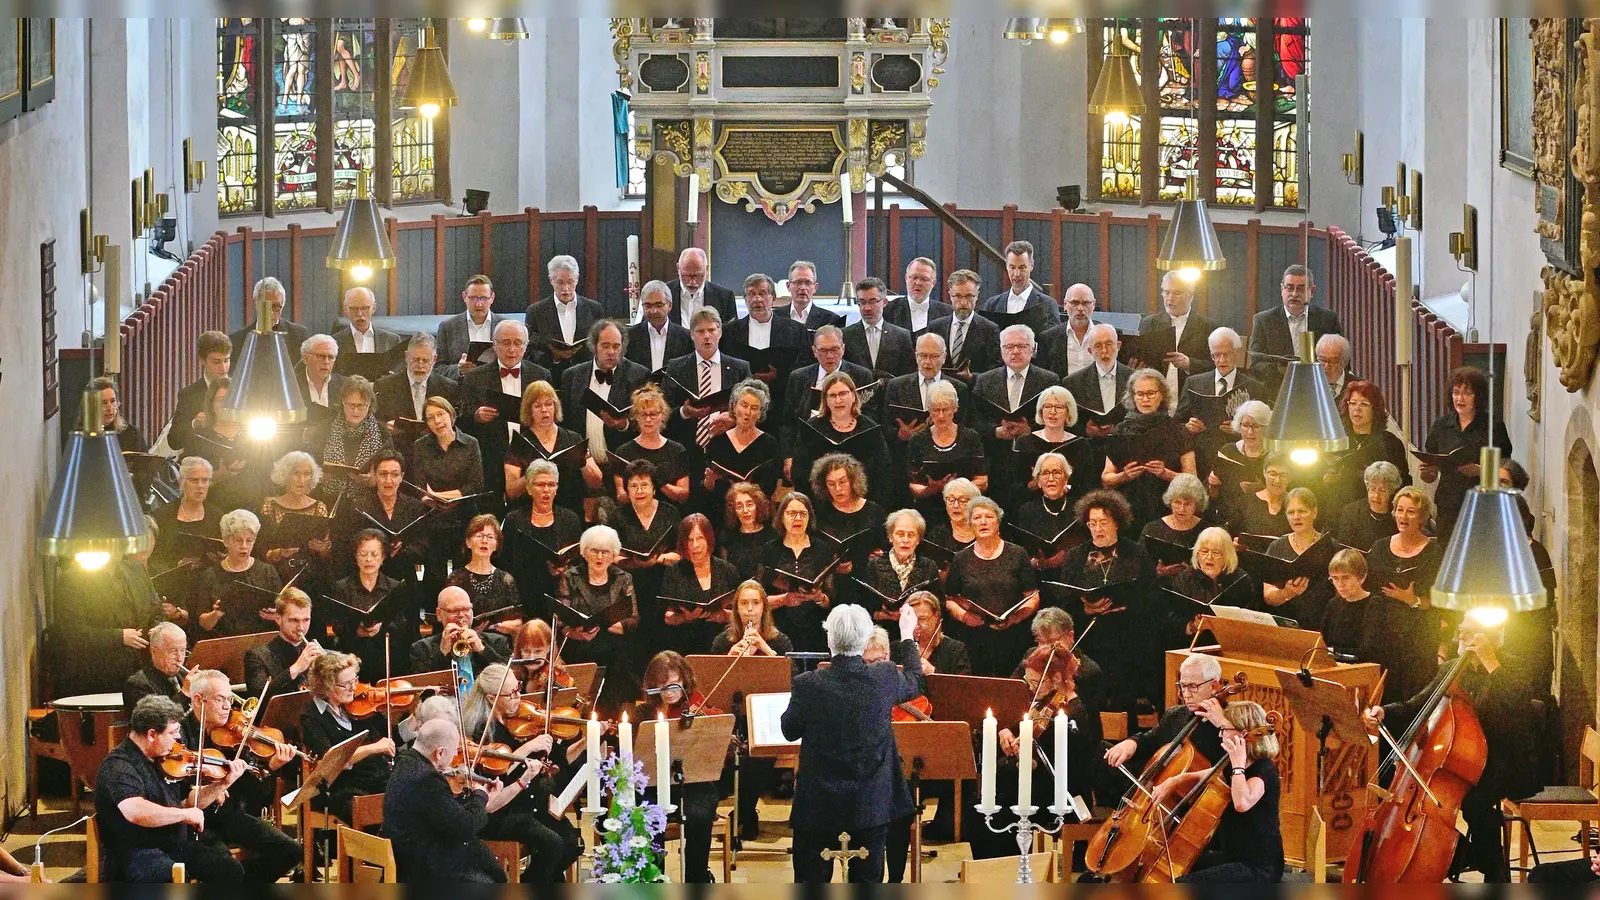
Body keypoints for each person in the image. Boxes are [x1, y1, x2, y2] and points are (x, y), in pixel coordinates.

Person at [1362, 614, 1539, 883]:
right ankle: (1463, 856)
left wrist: (1491, 663)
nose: (1459, 638)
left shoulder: (1513, 669)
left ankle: (1494, 872)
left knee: (1475, 804)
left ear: (1487, 640)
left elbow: (1519, 715)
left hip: (1505, 760)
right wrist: (1384, 712)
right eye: (1460, 631)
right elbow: (1418, 705)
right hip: (1458, 760)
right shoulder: (1452, 670)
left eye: (1468, 633)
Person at [781, 603, 925, 883]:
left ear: (829, 639)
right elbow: (916, 680)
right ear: (864, 640)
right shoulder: (883, 677)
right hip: (869, 804)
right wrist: (906, 634)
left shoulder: (808, 684)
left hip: (818, 806)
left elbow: (789, 730)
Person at [971, 645, 1101, 866]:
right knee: (982, 803)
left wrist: (1031, 760)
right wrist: (1007, 731)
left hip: (1060, 794)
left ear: (1057, 677)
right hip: (1035, 785)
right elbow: (1019, 726)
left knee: (993, 811)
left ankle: (1003, 868)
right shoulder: (1044, 703)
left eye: (1035, 681)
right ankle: (993, 867)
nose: (1031, 687)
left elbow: (1072, 769)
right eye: (1029, 680)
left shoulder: (1074, 713)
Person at [94, 695, 247, 882]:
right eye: (172, 732)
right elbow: (135, 811)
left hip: (170, 843)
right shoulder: (119, 765)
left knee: (228, 869)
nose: (178, 738)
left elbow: (187, 802)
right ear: (151, 735)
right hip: (134, 852)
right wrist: (185, 815)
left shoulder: (165, 759)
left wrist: (222, 783)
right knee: (167, 877)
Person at [460, 664, 581, 883]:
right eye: (512, 693)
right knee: (552, 844)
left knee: (572, 843)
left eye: (518, 689)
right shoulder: (482, 730)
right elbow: (497, 775)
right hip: (501, 812)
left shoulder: (513, 722)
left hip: (526, 804)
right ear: (491, 697)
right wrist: (528, 748)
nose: (519, 697)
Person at [180, 668, 302, 882]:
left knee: (290, 850)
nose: (228, 707)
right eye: (220, 700)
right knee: (227, 868)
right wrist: (207, 789)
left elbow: (256, 798)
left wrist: (272, 767)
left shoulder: (234, 737)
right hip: (196, 823)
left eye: (229, 699)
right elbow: (176, 788)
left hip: (228, 815)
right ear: (198, 700)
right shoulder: (178, 734)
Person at [1160, 700, 1284, 883]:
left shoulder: (1264, 770)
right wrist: (1176, 779)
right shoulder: (1233, 765)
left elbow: (1242, 802)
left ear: (1243, 733)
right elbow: (1209, 774)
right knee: (1180, 864)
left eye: (1224, 729)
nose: (1220, 734)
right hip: (1233, 856)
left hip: (1258, 866)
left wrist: (1238, 765)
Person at [1060, 490, 1155, 712]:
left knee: (1125, 702)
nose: (1097, 529)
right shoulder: (1075, 556)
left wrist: (1127, 605)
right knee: (1091, 699)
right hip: (1089, 638)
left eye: (1103, 523)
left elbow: (1152, 595)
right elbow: (1064, 598)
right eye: (1092, 523)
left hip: (1127, 637)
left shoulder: (1136, 553)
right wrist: (1085, 607)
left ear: (1117, 523)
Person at [384, 717, 508, 883]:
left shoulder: (405, 762)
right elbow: (465, 826)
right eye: (456, 750)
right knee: (489, 878)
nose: (457, 754)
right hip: (420, 866)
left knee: (487, 863)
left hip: (412, 850)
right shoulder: (427, 779)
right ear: (440, 752)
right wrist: (481, 796)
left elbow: (442, 812)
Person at [634, 652, 723, 881]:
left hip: (694, 783)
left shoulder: (696, 706)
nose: (670, 691)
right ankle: (654, 879)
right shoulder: (644, 713)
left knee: (699, 814)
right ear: (653, 686)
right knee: (650, 816)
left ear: (685, 681)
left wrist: (703, 723)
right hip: (653, 785)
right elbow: (633, 755)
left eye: (675, 684)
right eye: (663, 685)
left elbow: (717, 746)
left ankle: (697, 877)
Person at [47, 537, 159, 697]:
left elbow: (156, 609)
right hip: (97, 673)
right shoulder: (72, 579)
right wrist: (119, 636)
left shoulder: (135, 569)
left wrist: (157, 627)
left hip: (140, 669)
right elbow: (72, 632)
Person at [944, 496, 1039, 677]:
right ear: (970, 524)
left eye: (988, 516)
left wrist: (1016, 618)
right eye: (977, 518)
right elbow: (950, 599)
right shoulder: (961, 558)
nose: (983, 522)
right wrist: (964, 616)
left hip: (1013, 635)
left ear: (998, 521)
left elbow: (1032, 595)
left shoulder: (1018, 554)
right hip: (974, 636)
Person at [1366, 486, 1445, 699]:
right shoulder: (1380, 547)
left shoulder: (1433, 553)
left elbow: (1441, 603)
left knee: (1412, 698)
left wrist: (1413, 600)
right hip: (1381, 634)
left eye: (1411, 512)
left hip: (1417, 638)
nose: (1403, 516)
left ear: (1422, 517)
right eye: (1399, 510)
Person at [460, 319, 554, 499]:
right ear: (494, 345)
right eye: (505, 343)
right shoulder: (474, 378)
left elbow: (553, 418)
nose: (512, 349)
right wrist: (476, 416)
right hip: (490, 459)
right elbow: (462, 421)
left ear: (526, 346)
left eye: (518, 343)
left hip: (531, 459)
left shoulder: (540, 375)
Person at [300, 650, 396, 822]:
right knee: (377, 814)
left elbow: (393, 737)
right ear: (326, 686)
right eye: (346, 684)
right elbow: (332, 761)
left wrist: (413, 720)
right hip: (343, 788)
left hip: (376, 779)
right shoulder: (311, 717)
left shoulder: (357, 706)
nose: (354, 688)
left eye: (354, 680)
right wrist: (373, 748)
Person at [1103, 653, 1233, 777]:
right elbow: (1150, 740)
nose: (1186, 694)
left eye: (1193, 686)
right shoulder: (1176, 714)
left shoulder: (1232, 720)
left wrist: (1224, 725)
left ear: (1214, 685)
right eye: (1182, 686)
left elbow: (1237, 765)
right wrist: (1132, 743)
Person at [1420, 365, 1514, 534]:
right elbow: (1430, 471)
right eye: (1456, 392)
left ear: (1478, 396)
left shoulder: (1493, 427)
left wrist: (1480, 470)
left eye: (1467, 393)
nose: (1460, 398)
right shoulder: (1441, 426)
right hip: (1448, 505)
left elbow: (1507, 471)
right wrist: (1428, 472)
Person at [972, 325, 1061, 503]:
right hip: (996, 461)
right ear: (1001, 350)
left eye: (1021, 346)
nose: (1015, 352)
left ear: (1033, 349)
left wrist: (1030, 429)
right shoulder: (984, 380)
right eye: (1009, 347)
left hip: (1033, 460)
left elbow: (1059, 421)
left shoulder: (1050, 380)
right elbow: (973, 421)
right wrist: (996, 431)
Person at [1100, 368, 1197, 529]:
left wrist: (1165, 473)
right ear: (1133, 396)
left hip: (1166, 508)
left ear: (1162, 395)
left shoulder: (1178, 430)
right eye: (1140, 394)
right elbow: (1106, 479)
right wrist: (1125, 475)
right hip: (1128, 508)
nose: (1145, 399)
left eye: (1151, 393)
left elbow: (1192, 479)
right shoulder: (1121, 430)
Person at [663, 308, 754, 477]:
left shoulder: (740, 368)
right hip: (685, 452)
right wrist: (684, 412)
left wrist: (734, 418)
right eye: (700, 331)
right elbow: (663, 413)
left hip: (729, 452)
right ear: (691, 335)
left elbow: (755, 410)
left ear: (719, 332)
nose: (706, 336)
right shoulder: (675, 367)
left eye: (711, 330)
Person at [557, 525, 640, 710]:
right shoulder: (570, 577)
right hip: (579, 647)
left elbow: (633, 620)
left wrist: (604, 624)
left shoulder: (623, 578)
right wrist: (576, 633)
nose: (600, 557)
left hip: (615, 650)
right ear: (585, 553)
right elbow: (561, 619)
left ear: (613, 555)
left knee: (622, 661)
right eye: (594, 551)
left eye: (605, 552)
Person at [559, 319, 650, 471]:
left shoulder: (638, 375)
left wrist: (624, 424)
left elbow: (649, 423)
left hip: (623, 469)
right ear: (594, 346)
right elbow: (565, 422)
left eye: (616, 346)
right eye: (605, 346)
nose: (611, 352)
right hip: (581, 469)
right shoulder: (572, 376)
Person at [501, 460, 583, 621]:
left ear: (557, 488)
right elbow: (504, 560)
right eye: (540, 485)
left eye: (551, 485)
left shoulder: (570, 519)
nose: (546, 490)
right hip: (522, 591)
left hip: (559, 592)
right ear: (529, 489)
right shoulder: (514, 519)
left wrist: (565, 569)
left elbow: (579, 561)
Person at [787, 372, 891, 497]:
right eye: (832, 395)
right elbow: (799, 472)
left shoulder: (869, 428)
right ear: (825, 400)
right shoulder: (812, 427)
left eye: (843, 394)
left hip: (861, 500)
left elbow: (883, 472)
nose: (838, 400)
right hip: (820, 501)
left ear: (853, 396)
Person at [1246, 264, 1343, 395]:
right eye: (1290, 288)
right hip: (1278, 394)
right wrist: (1281, 371)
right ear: (1282, 289)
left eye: (1301, 289)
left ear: (1312, 291)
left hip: (1319, 392)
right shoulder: (1264, 320)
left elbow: (1342, 360)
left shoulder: (1328, 319)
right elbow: (1255, 364)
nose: (1294, 294)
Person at [778, 325, 875, 452]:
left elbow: (869, 417)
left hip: (849, 445)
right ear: (814, 351)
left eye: (835, 349)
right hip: (808, 445)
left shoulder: (861, 375)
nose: (829, 356)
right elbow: (788, 422)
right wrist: (788, 457)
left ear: (843, 349)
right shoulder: (798, 377)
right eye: (823, 350)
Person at [503, 379, 592, 513]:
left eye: (549, 404)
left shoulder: (573, 438)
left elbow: (596, 482)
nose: (544, 410)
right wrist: (534, 473)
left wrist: (583, 462)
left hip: (569, 510)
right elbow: (511, 491)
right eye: (538, 406)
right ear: (529, 410)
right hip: (530, 512)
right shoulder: (520, 444)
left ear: (556, 407)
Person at [760, 492, 833, 653]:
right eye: (791, 513)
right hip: (778, 630)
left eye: (803, 514)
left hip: (816, 630)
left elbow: (832, 600)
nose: (798, 518)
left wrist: (819, 597)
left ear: (810, 517)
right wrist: (783, 599)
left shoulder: (823, 549)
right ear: (782, 517)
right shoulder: (769, 550)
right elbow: (758, 599)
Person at [193, 509, 283, 638]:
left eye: (249, 540)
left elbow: (283, 615)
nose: (244, 546)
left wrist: (276, 616)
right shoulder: (210, 575)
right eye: (238, 540)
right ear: (225, 541)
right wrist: (216, 613)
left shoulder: (267, 571)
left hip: (260, 643)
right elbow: (204, 624)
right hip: (224, 643)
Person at [722, 272, 812, 401]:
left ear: (773, 297)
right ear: (745, 299)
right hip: (741, 401)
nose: (757, 299)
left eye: (762, 293)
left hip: (782, 400)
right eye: (751, 294)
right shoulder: (730, 332)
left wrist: (779, 375)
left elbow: (805, 366)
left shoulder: (795, 330)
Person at [1128, 272, 1219, 399]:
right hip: (1155, 398)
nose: (1170, 298)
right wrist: (1133, 369)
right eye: (1166, 292)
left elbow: (1217, 366)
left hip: (1192, 396)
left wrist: (1190, 364)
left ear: (1190, 295)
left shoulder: (1208, 327)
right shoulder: (1149, 324)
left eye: (1176, 293)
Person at [329, 531, 408, 675]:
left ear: (383, 557)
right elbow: (336, 625)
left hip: (386, 654)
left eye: (374, 554)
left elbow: (401, 623)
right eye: (363, 554)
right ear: (355, 557)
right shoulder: (341, 587)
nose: (368, 559)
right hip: (351, 655)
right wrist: (356, 631)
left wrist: (382, 627)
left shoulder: (394, 587)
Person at [660, 513, 739, 655]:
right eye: (690, 540)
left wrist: (724, 615)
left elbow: (740, 613)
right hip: (686, 645)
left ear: (708, 538)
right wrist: (685, 617)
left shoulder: (727, 570)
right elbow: (667, 617)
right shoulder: (674, 572)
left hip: (722, 645)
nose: (695, 545)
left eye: (700, 538)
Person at [1326, 380, 1410, 512]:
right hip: (1338, 509)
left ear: (1375, 409)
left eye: (1364, 404)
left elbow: (1403, 483)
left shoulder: (1389, 443)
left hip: (1376, 512)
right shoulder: (1335, 440)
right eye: (1352, 403)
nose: (1357, 409)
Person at [1260, 487, 1337, 628]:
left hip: (1323, 624)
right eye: (1291, 512)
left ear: (1314, 512)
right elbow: (1268, 595)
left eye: (1302, 511)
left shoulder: (1331, 546)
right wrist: (1286, 593)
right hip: (1286, 623)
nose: (1296, 517)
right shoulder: (1277, 547)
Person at [305, 375, 392, 498]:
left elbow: (392, 469)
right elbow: (309, 463)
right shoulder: (324, 429)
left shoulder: (382, 433)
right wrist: (318, 476)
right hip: (327, 498)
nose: (355, 411)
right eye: (351, 405)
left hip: (369, 501)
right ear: (342, 402)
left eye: (361, 406)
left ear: (370, 404)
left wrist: (375, 480)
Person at [1166, 526, 1256, 643]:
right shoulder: (1185, 578)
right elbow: (1173, 616)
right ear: (1197, 555)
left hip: (1231, 643)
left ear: (1227, 556)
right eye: (1204, 551)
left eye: (1216, 552)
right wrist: (1192, 625)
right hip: (1192, 645)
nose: (1209, 557)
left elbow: (1251, 618)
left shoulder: (1241, 580)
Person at [701, 378, 778, 508]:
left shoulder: (769, 444)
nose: (748, 412)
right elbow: (707, 493)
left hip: (754, 510)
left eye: (754, 408)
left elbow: (768, 488)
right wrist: (709, 483)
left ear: (760, 413)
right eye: (744, 405)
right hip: (721, 509)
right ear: (734, 407)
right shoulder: (717, 443)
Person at [906, 381, 988, 503]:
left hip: (964, 503)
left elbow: (982, 481)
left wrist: (955, 489)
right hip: (929, 505)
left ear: (955, 408)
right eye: (936, 410)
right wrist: (931, 489)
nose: (940, 416)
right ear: (929, 410)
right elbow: (914, 484)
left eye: (945, 410)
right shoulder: (917, 440)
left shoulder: (970, 437)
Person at [609, 386, 690, 506]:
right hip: (633, 515)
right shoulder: (623, 451)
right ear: (635, 417)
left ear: (662, 415)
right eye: (643, 414)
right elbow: (621, 496)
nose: (648, 419)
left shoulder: (677, 450)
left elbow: (683, 496)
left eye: (653, 414)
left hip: (668, 514)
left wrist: (657, 480)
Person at [256, 451, 333, 577]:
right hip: (278, 574)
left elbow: (327, 555)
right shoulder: (270, 507)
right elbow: (260, 552)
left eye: (307, 474)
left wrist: (323, 548)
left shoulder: (319, 507)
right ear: (285, 475)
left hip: (311, 576)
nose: (301, 479)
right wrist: (280, 553)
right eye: (296, 473)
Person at [410, 586, 511, 677]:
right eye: (454, 610)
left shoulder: (497, 641)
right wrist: (442, 653)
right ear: (439, 614)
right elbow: (423, 686)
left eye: (466, 609)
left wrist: (483, 650)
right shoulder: (421, 648)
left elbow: (508, 678)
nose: (461, 615)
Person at [526, 254, 603, 372]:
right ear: (551, 280)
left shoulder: (594, 309)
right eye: (560, 282)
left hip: (585, 376)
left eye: (570, 282)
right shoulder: (536, 311)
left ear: (577, 279)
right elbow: (529, 351)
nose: (565, 288)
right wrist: (554, 356)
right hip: (550, 376)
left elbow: (601, 345)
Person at [446, 515, 521, 636]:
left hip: (497, 643)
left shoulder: (506, 579)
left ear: (496, 545)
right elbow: (448, 618)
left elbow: (517, 624)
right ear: (468, 542)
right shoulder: (456, 578)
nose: (484, 541)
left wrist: (493, 626)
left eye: (490, 537)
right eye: (479, 536)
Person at [243, 588, 323, 700]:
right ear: (278, 619)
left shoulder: (314, 652)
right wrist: (296, 669)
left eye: (306, 620)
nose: (301, 627)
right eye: (294, 620)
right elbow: (258, 697)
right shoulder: (257, 657)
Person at [863, 509, 941, 622]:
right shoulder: (874, 565)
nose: (905, 540)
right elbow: (865, 605)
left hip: (917, 630)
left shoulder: (929, 566)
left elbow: (938, 607)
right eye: (900, 534)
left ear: (918, 540)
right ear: (890, 537)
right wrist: (881, 615)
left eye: (911, 535)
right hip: (883, 630)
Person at [1012, 451, 1078, 579]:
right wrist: (1037, 563)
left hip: (1074, 576)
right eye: (1045, 473)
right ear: (1038, 481)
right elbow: (1022, 552)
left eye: (1057, 472)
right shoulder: (1026, 511)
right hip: (1038, 577)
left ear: (1066, 478)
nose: (1051, 479)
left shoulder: (1079, 508)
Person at [375, 332, 459, 429]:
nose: (420, 365)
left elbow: (454, 424)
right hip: (398, 442)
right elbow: (375, 420)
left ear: (434, 359)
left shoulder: (448, 388)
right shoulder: (385, 386)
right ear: (406, 356)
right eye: (415, 359)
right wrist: (384, 427)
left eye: (425, 360)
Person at [168, 329, 232, 454]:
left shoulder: (241, 390)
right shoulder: (189, 395)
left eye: (226, 360)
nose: (223, 368)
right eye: (216, 362)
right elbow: (173, 441)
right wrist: (194, 424)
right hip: (203, 460)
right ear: (202, 360)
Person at [410, 395, 486, 500]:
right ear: (427, 423)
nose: (437, 421)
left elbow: (476, 485)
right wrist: (429, 498)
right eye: (431, 418)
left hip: (465, 506)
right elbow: (420, 485)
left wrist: (438, 496)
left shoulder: (471, 443)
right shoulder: (420, 445)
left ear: (451, 415)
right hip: (432, 507)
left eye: (440, 414)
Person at [929, 269, 1001, 376]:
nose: (963, 302)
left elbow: (995, 370)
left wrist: (973, 377)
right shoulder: (935, 327)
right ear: (950, 295)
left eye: (968, 296)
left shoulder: (989, 330)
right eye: (958, 296)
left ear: (976, 296)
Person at [434, 274, 506, 377]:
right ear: (464, 297)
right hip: (460, 389)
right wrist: (458, 369)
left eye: (484, 298)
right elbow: (437, 368)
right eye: (473, 298)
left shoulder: (504, 326)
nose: (478, 304)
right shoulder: (448, 327)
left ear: (492, 298)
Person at [1141, 473, 1210, 579]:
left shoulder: (1207, 531)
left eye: (1187, 504)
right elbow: (1136, 566)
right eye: (1177, 502)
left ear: (1197, 505)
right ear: (1170, 501)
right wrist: (1157, 573)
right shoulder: (1152, 529)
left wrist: (1193, 573)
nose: (1181, 509)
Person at [843, 277, 915, 376]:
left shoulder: (901, 336)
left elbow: (907, 374)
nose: (867, 308)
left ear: (884, 302)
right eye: (862, 302)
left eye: (872, 301)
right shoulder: (845, 335)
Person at [981, 240, 1062, 326]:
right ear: (1006, 266)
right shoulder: (992, 304)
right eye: (1012, 267)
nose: (1016, 274)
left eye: (1022, 267)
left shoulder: (1048, 304)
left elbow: (1053, 338)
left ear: (1031, 266)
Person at [229, 276, 310, 362]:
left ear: (282, 305)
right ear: (256, 303)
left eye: (276, 306)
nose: (271, 312)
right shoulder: (236, 340)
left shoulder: (299, 336)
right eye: (266, 306)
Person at [122, 622, 189, 720]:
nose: (180, 658)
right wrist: (184, 694)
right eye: (173, 651)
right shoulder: (137, 685)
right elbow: (156, 723)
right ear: (154, 651)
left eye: (183, 651)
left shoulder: (184, 676)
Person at [1332, 460, 1402, 552]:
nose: (1376, 495)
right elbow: (1344, 549)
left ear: (1392, 491)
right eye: (1373, 489)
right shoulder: (1351, 512)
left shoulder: (1399, 513)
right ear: (1367, 487)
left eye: (1383, 490)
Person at [1039, 283, 1107, 376]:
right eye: (1075, 303)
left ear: (1093, 304)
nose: (1080, 308)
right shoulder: (1048, 338)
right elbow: (1043, 376)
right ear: (1065, 305)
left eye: (1085, 303)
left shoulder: (1107, 335)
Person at [626, 280, 693, 373]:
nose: (653, 311)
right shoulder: (629, 336)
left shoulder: (686, 337)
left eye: (659, 305)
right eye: (648, 306)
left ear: (669, 305)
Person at [1321, 548, 1375, 658]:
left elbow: (1369, 651)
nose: (1340, 584)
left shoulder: (1374, 604)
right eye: (1335, 578)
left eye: (1345, 578)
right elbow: (1322, 641)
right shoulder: (1333, 604)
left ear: (1361, 577)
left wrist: (1330, 651)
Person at [667, 247, 738, 329]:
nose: (692, 282)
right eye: (686, 276)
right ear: (678, 268)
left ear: (707, 269)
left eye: (698, 276)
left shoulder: (725, 297)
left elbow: (732, 332)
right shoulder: (664, 293)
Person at [1228, 451, 1293, 539]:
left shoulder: (1296, 504)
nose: (1277, 480)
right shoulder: (1245, 503)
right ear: (1264, 473)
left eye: (1283, 475)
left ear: (1290, 477)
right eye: (1273, 474)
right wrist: (1235, 544)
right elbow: (1230, 536)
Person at [720, 481, 774, 580]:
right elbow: (726, 573)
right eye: (739, 506)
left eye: (749, 504)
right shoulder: (727, 537)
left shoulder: (772, 535)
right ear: (734, 510)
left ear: (757, 506)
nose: (745, 510)